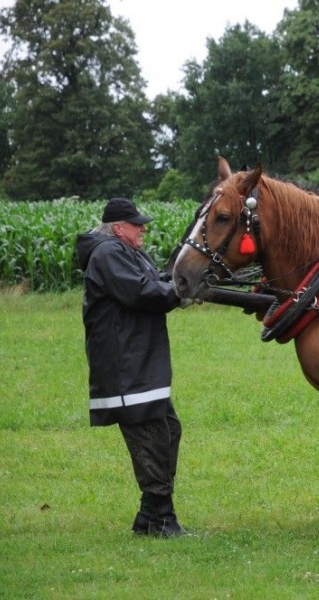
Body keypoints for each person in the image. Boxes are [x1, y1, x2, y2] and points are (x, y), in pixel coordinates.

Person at [75, 197, 191, 537]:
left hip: (141, 363)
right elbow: (144, 292)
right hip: (125, 368)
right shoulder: (108, 254)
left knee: (169, 430)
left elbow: (157, 279)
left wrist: (185, 277)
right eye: (137, 223)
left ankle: (147, 517)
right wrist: (181, 291)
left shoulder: (127, 251)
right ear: (118, 228)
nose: (143, 228)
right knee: (152, 439)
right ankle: (162, 521)